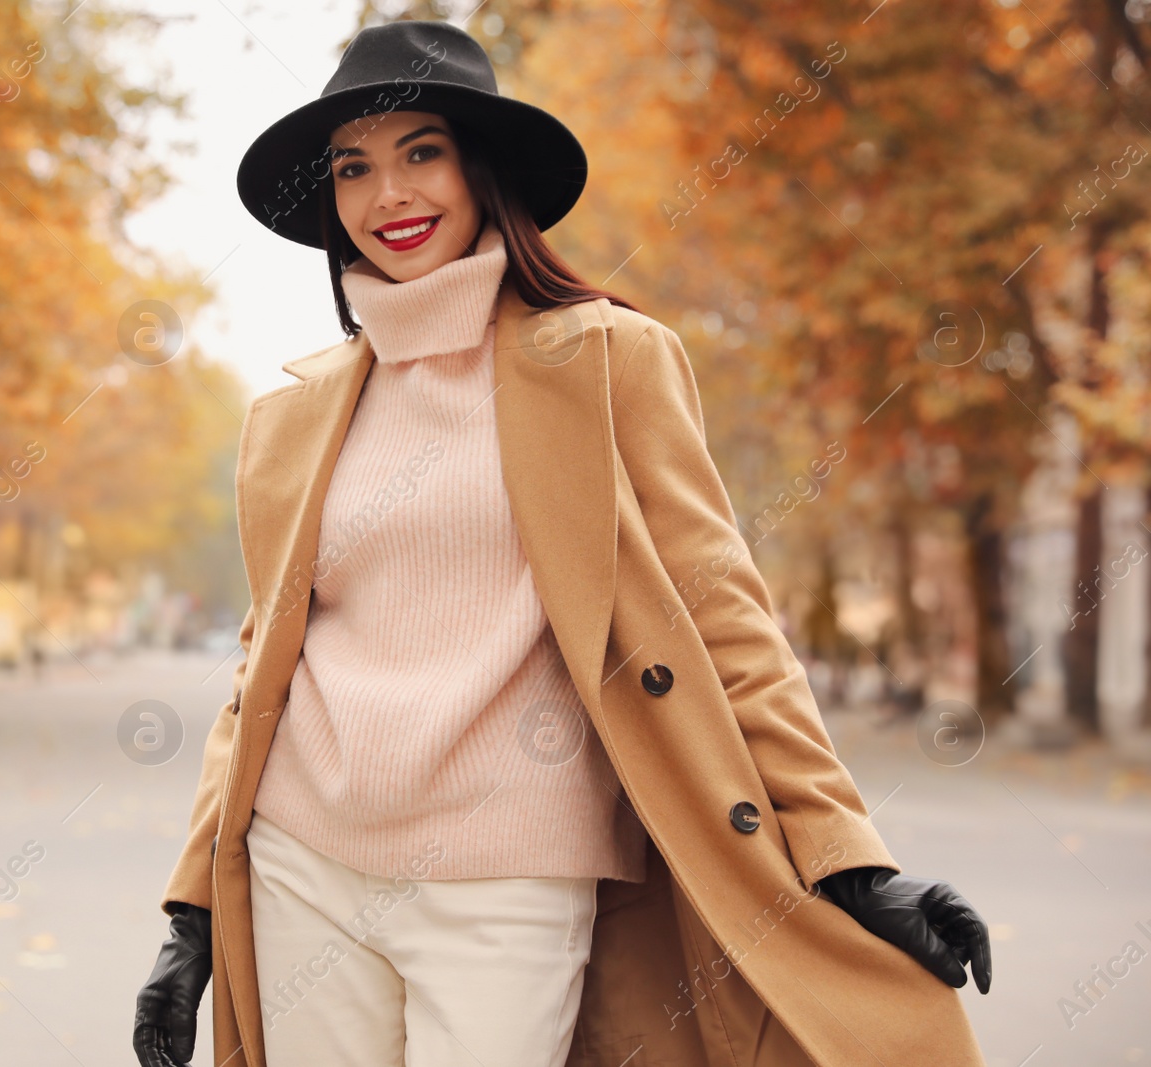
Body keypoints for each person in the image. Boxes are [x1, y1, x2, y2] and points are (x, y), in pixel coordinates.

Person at [134, 19, 991, 1067]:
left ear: (481, 167)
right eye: (352, 168)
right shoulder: (292, 414)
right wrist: (192, 913)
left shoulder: (607, 360)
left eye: (421, 153)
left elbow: (723, 613)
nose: (387, 196)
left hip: (513, 870)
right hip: (300, 860)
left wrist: (842, 855)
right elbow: (263, 661)